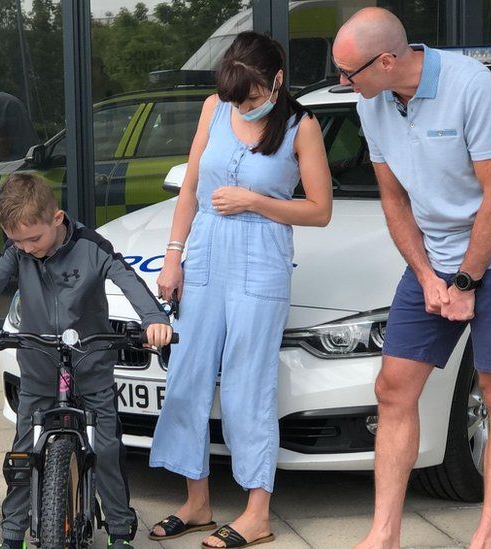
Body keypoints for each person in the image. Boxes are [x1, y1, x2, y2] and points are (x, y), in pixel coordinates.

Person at [332, 9, 491, 549]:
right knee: (393, 388)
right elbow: (394, 197)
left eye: (348, 72)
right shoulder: (371, 102)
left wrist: (467, 283)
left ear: (385, 61)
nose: (341, 82)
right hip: (437, 258)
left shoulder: (470, 87)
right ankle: (384, 534)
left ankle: (487, 538)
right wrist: (428, 276)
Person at [148, 31, 332, 548]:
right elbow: (189, 188)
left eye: (251, 98)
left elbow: (320, 210)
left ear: (276, 79)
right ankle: (197, 501)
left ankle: (256, 511)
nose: (243, 107)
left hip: (261, 256)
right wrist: (173, 255)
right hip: (205, 250)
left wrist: (256, 201)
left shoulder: (302, 125)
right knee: (187, 374)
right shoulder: (214, 107)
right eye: (236, 99)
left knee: (248, 386)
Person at [0, 173, 173, 549]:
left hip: (91, 362)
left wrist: (153, 320)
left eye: (33, 239)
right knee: (24, 450)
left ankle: (120, 531)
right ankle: (12, 533)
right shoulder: (18, 251)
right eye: (17, 241)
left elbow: (127, 279)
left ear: (56, 218)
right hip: (39, 363)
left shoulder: (92, 246)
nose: (26, 249)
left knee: (106, 447)